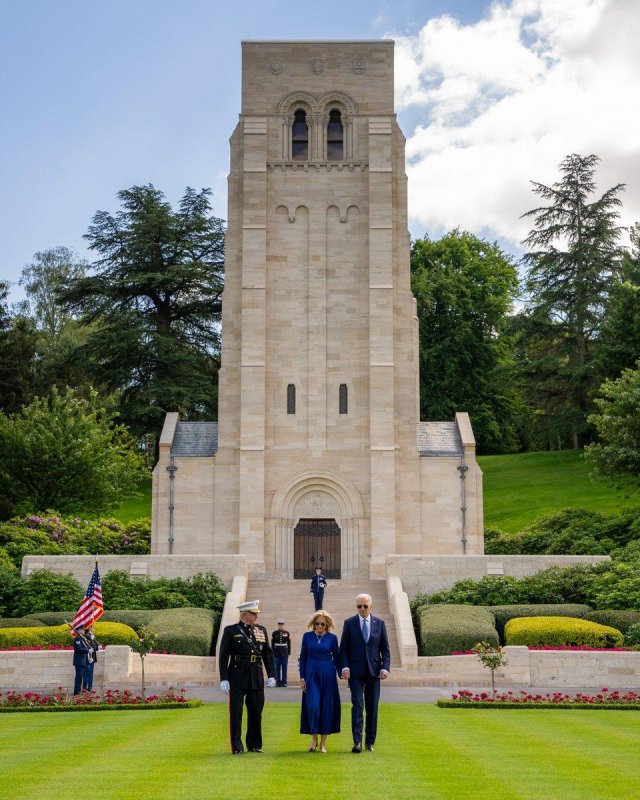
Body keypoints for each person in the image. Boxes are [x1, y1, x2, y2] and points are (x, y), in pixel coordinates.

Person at [219, 600, 276, 755]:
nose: (256, 616)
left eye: (256, 613)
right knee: (236, 712)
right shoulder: (231, 631)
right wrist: (224, 678)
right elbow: (224, 656)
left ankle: (254, 744)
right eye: (253, 613)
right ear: (244, 614)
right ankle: (237, 746)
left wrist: (271, 675)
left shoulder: (261, 630)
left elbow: (267, 655)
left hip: (255, 674)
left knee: (256, 710)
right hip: (237, 675)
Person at [339, 593, 390, 753]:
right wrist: (345, 667)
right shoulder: (349, 623)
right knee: (357, 704)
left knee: (372, 707)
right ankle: (357, 742)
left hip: (374, 672)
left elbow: (385, 649)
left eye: (365, 606)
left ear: (371, 606)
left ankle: (369, 742)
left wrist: (385, 667)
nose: (362, 609)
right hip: (355, 672)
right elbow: (343, 649)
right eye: (359, 606)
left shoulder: (380, 624)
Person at [299, 610, 341, 753]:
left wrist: (343, 672)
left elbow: (337, 657)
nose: (319, 626)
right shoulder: (307, 637)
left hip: (328, 676)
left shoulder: (332, 638)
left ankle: (323, 743)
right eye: (317, 624)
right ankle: (313, 738)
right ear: (313, 624)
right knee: (313, 706)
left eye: (322, 624)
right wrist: (302, 677)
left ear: (327, 625)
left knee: (326, 707)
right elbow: (303, 658)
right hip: (311, 676)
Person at [271, 618, 291, 687]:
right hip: (277, 653)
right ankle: (278, 682)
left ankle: (284, 682)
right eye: (279, 624)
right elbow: (272, 643)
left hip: (284, 653)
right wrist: (273, 652)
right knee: (277, 668)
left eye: (282, 624)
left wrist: (288, 652)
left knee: (284, 668)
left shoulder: (287, 633)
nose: (280, 626)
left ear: (283, 625)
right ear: (278, 625)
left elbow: (288, 643)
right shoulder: (274, 633)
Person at [72, 624, 90, 695]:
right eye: (82, 629)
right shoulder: (78, 639)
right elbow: (79, 649)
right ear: (78, 630)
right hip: (79, 661)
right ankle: (77, 692)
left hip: (82, 661)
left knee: (80, 677)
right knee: (79, 677)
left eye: (83, 629)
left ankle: (78, 691)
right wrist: (87, 650)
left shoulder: (82, 638)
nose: (83, 631)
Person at [83, 626, 101, 692]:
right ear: (89, 628)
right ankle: (85, 688)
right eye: (92, 626)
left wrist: (97, 647)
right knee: (86, 674)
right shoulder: (85, 636)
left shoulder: (91, 636)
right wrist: (96, 647)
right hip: (87, 657)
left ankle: (89, 688)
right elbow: (88, 646)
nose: (93, 628)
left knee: (90, 674)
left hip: (92, 657)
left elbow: (92, 646)